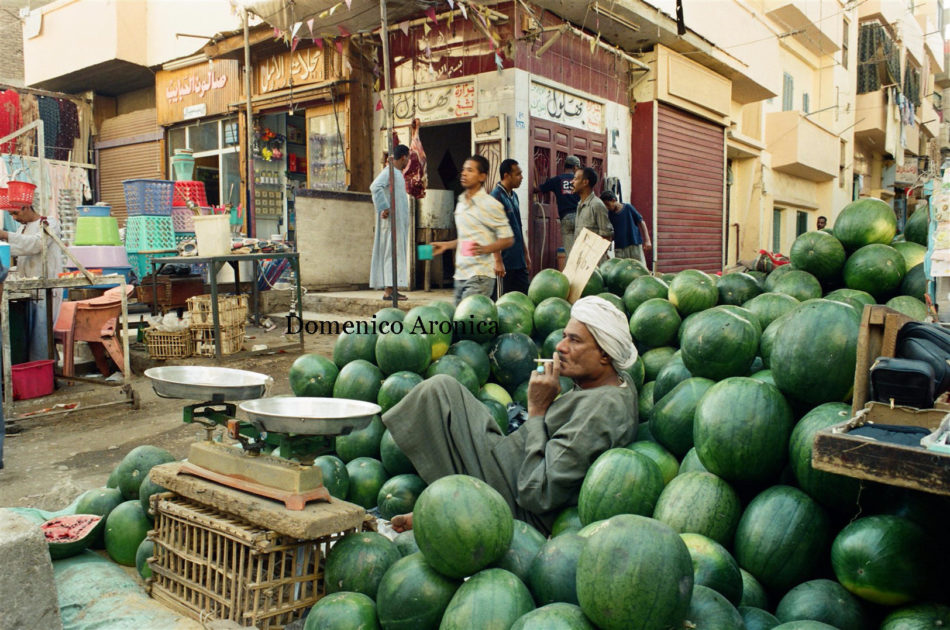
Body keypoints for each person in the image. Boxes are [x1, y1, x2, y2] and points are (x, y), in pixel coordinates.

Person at [383, 295, 639, 535]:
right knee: (445, 391)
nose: (560, 347)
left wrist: (538, 409)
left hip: (518, 500)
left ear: (605, 354)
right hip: (519, 460)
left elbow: (537, 493)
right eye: (564, 336)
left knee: (436, 395)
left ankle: (452, 511)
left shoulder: (600, 411)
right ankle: (449, 504)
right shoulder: (616, 381)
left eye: (575, 340)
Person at [431, 155, 514, 304]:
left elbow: (507, 238)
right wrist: (446, 245)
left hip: (480, 276)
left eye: (470, 170)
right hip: (460, 275)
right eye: (463, 170)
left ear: (482, 176)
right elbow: (465, 238)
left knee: (468, 323)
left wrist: (487, 248)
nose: (463, 173)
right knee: (460, 322)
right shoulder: (461, 202)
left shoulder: (490, 204)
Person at [0, 204, 64, 364]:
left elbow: (36, 244)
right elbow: (16, 248)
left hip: (47, 286)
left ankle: (47, 370)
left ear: (26, 207)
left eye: (15, 213)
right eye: (11, 215)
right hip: (28, 288)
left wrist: (5, 235)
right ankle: (32, 373)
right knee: (30, 335)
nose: (14, 218)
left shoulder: (49, 222)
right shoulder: (21, 229)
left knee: (41, 333)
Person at [369, 144, 411, 301]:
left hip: (397, 223)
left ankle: (392, 289)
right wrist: (383, 207)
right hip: (391, 223)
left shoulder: (397, 173)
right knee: (391, 254)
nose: (408, 162)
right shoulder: (389, 172)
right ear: (404, 157)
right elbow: (375, 187)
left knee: (396, 254)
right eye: (408, 158)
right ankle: (388, 291)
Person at [491, 159, 531, 295]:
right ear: (507, 175)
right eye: (518, 174)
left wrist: (526, 253)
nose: (522, 177)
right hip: (505, 263)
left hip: (519, 261)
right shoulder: (496, 197)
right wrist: (497, 261)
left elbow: (518, 226)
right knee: (501, 303)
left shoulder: (514, 196)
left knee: (524, 298)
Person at [535, 155, 581, 255]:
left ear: (565, 166)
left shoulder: (557, 180)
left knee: (569, 252)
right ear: (575, 167)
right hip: (580, 217)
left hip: (566, 218)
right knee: (580, 251)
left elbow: (540, 189)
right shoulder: (580, 181)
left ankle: (569, 270)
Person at [573, 167, 613, 260]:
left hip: (592, 261)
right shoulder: (580, 204)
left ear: (585, 182)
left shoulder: (597, 205)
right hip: (580, 258)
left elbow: (606, 235)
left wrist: (596, 257)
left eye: (576, 179)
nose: (572, 182)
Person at [601, 190, 651, 265]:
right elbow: (610, 233)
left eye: (608, 204)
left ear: (614, 200)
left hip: (634, 244)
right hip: (619, 248)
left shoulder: (628, 207)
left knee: (640, 267)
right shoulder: (609, 215)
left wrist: (647, 240)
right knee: (623, 270)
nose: (607, 207)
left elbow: (641, 222)